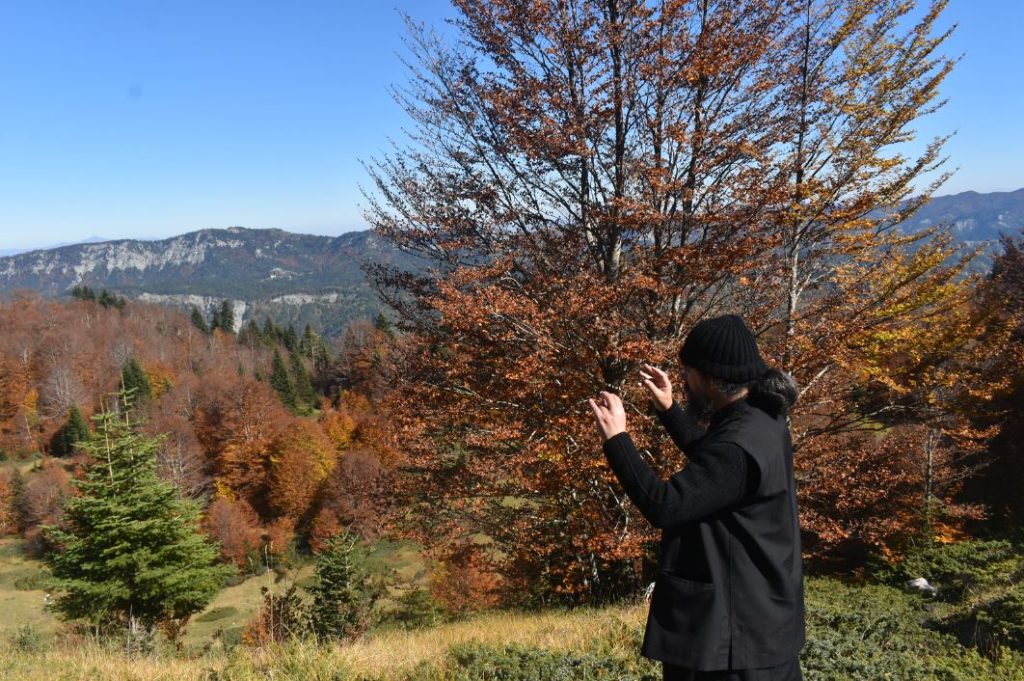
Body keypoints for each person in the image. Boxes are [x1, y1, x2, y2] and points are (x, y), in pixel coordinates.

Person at [588, 314, 805, 681]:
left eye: (688, 372)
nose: (685, 380)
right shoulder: (762, 417)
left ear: (712, 378)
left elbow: (665, 505)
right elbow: (717, 472)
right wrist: (669, 409)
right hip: (760, 624)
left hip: (731, 643)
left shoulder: (738, 444)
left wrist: (617, 439)